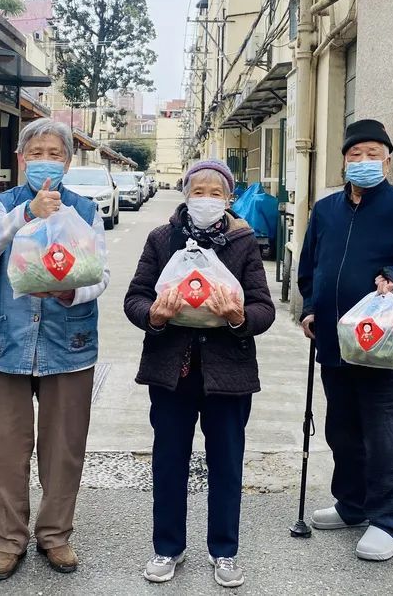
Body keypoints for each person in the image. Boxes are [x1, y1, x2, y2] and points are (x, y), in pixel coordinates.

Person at [297, 119, 393, 562]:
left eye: (372, 153)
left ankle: (388, 520)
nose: (363, 161)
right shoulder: (326, 210)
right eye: (355, 154)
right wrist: (310, 307)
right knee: (342, 430)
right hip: (335, 342)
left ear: (387, 158)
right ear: (344, 159)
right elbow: (310, 267)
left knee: (386, 434)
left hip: (385, 345)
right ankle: (352, 506)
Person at [124, 160, 275, 589]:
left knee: (226, 463)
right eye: (199, 190)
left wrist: (237, 317)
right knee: (169, 461)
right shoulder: (161, 239)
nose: (206, 199)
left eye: (216, 192)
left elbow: (263, 308)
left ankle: (224, 550)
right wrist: (154, 315)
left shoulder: (243, 242)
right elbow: (135, 297)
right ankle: (167, 547)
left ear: (228, 198)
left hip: (228, 374)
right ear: (185, 193)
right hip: (172, 372)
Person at [0, 119, 110, 581]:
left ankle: (55, 536)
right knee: (7, 448)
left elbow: (100, 276)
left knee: (64, 448)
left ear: (68, 162)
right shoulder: (1, 204)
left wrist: (71, 293)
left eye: (54, 153)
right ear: (20, 159)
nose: (45, 160)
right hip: (6, 343)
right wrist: (28, 213)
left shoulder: (86, 211)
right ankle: (8, 542)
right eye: (36, 153)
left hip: (68, 344)